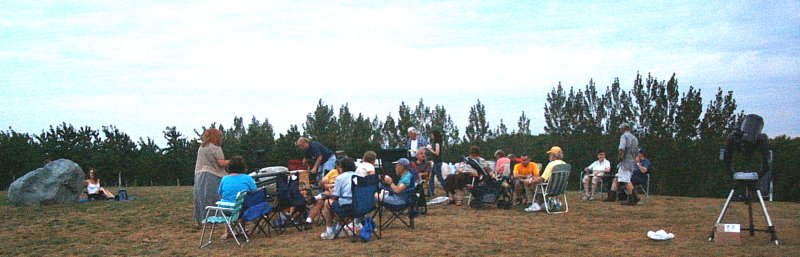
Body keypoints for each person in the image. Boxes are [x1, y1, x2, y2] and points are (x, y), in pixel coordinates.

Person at [194, 128, 230, 228]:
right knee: (213, 198)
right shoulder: (215, 147)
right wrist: (233, 161)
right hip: (212, 175)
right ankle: (212, 221)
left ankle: (200, 220)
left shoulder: (202, 147)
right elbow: (221, 163)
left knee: (200, 198)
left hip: (199, 175)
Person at [217, 155, 257, 240]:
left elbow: (220, 192)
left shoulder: (224, 179)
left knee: (225, 201)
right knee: (243, 203)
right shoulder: (247, 178)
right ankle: (241, 229)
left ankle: (226, 231)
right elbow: (254, 191)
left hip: (226, 209)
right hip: (241, 209)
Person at [320, 158, 358, 240]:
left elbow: (335, 196)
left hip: (348, 207)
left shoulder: (340, 178)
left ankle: (329, 231)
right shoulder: (360, 176)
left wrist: (330, 193)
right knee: (339, 202)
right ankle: (340, 228)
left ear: (342, 168)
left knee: (328, 202)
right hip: (362, 206)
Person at [604, 123, 640, 205]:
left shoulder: (624, 136)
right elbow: (637, 152)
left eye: (620, 129)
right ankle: (612, 196)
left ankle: (632, 198)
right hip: (632, 162)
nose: (620, 130)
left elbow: (621, 148)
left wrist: (620, 158)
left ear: (624, 129)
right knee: (618, 177)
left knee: (626, 180)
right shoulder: (634, 138)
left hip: (625, 161)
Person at [525, 146, 567, 212]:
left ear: (553, 155)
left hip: (549, 189)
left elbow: (542, 180)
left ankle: (534, 204)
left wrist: (529, 181)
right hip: (560, 189)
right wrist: (534, 178)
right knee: (534, 182)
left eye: (550, 154)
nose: (549, 156)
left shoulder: (551, 164)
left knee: (528, 183)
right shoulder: (565, 164)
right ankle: (543, 203)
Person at [307, 158, 343, 226]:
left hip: (339, 194)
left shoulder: (346, 174)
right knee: (320, 201)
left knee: (325, 195)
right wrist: (327, 185)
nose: (339, 168)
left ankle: (315, 198)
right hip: (329, 190)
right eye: (338, 166)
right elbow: (322, 183)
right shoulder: (333, 171)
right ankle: (308, 220)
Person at [427, 130, 445, 197]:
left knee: (439, 177)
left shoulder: (437, 143)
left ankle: (447, 189)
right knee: (431, 178)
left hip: (437, 162)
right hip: (435, 162)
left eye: (432, 135)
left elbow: (437, 153)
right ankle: (430, 192)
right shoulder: (436, 143)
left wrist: (430, 149)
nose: (431, 136)